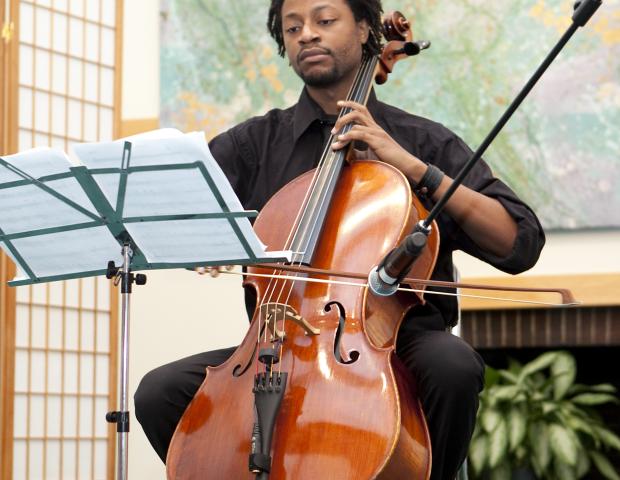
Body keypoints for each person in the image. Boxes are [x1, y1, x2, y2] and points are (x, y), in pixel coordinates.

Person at [135, 0, 545, 478]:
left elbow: (519, 241)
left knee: (452, 367)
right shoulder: (254, 145)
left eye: (324, 21)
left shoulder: (421, 140)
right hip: (275, 345)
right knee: (159, 391)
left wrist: (412, 167)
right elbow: (169, 217)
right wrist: (197, 239)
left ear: (367, 29)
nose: (307, 34)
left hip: (395, 343)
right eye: (292, 28)